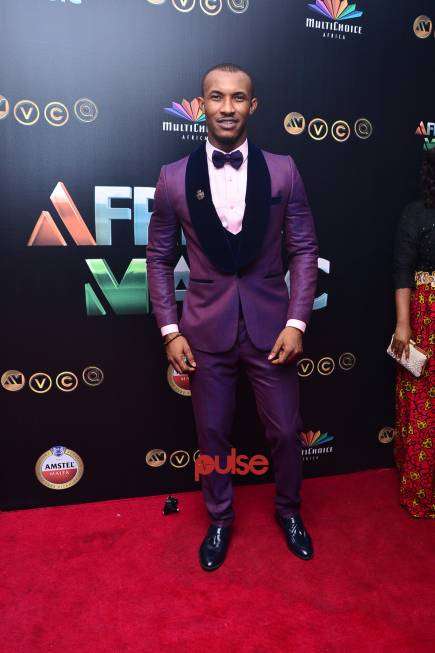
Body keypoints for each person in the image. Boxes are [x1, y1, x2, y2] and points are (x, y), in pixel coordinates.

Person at [147, 63, 319, 569]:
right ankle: (220, 518)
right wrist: (170, 330)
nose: (227, 107)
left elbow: (304, 250)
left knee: (285, 431)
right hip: (204, 331)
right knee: (212, 436)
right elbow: (158, 259)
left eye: (238, 97)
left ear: (252, 105)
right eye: (217, 97)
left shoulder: (283, 170)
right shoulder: (173, 178)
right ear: (201, 105)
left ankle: (289, 511)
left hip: (273, 329)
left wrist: (297, 322)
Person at [391, 147, 435, 519]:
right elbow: (403, 271)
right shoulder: (416, 213)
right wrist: (403, 324)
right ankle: (422, 489)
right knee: (425, 400)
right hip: (427, 315)